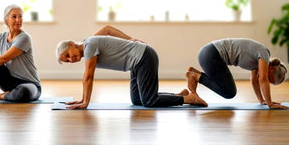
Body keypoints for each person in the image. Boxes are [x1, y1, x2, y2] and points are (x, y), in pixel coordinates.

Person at [55, 25, 208, 109]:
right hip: (136, 63)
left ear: (71, 45)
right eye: (67, 61)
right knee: (137, 100)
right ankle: (177, 95)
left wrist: (85, 102)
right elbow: (107, 29)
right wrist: (82, 100)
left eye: (68, 55)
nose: (71, 59)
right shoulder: (90, 42)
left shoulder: (89, 46)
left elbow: (88, 76)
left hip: (144, 57)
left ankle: (189, 99)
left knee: (149, 101)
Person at [185, 38, 289, 109]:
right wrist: (270, 104)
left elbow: (254, 80)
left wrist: (262, 101)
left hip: (208, 53)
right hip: (211, 55)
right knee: (229, 92)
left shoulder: (258, 62)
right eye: (270, 79)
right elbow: (262, 79)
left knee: (227, 89)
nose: (267, 81)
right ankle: (195, 76)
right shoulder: (264, 53)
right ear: (272, 69)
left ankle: (194, 73)